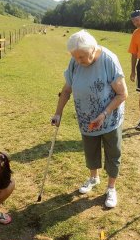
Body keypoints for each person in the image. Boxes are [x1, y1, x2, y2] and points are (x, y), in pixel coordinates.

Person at [51, 30, 128, 208]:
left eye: (82, 57)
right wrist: (58, 113)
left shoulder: (109, 60)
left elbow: (123, 94)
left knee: (112, 152)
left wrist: (104, 114)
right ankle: (93, 177)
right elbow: (67, 89)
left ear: (93, 49)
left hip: (109, 118)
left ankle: (111, 188)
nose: (79, 61)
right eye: (75, 57)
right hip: (86, 118)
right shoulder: (75, 61)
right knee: (90, 149)